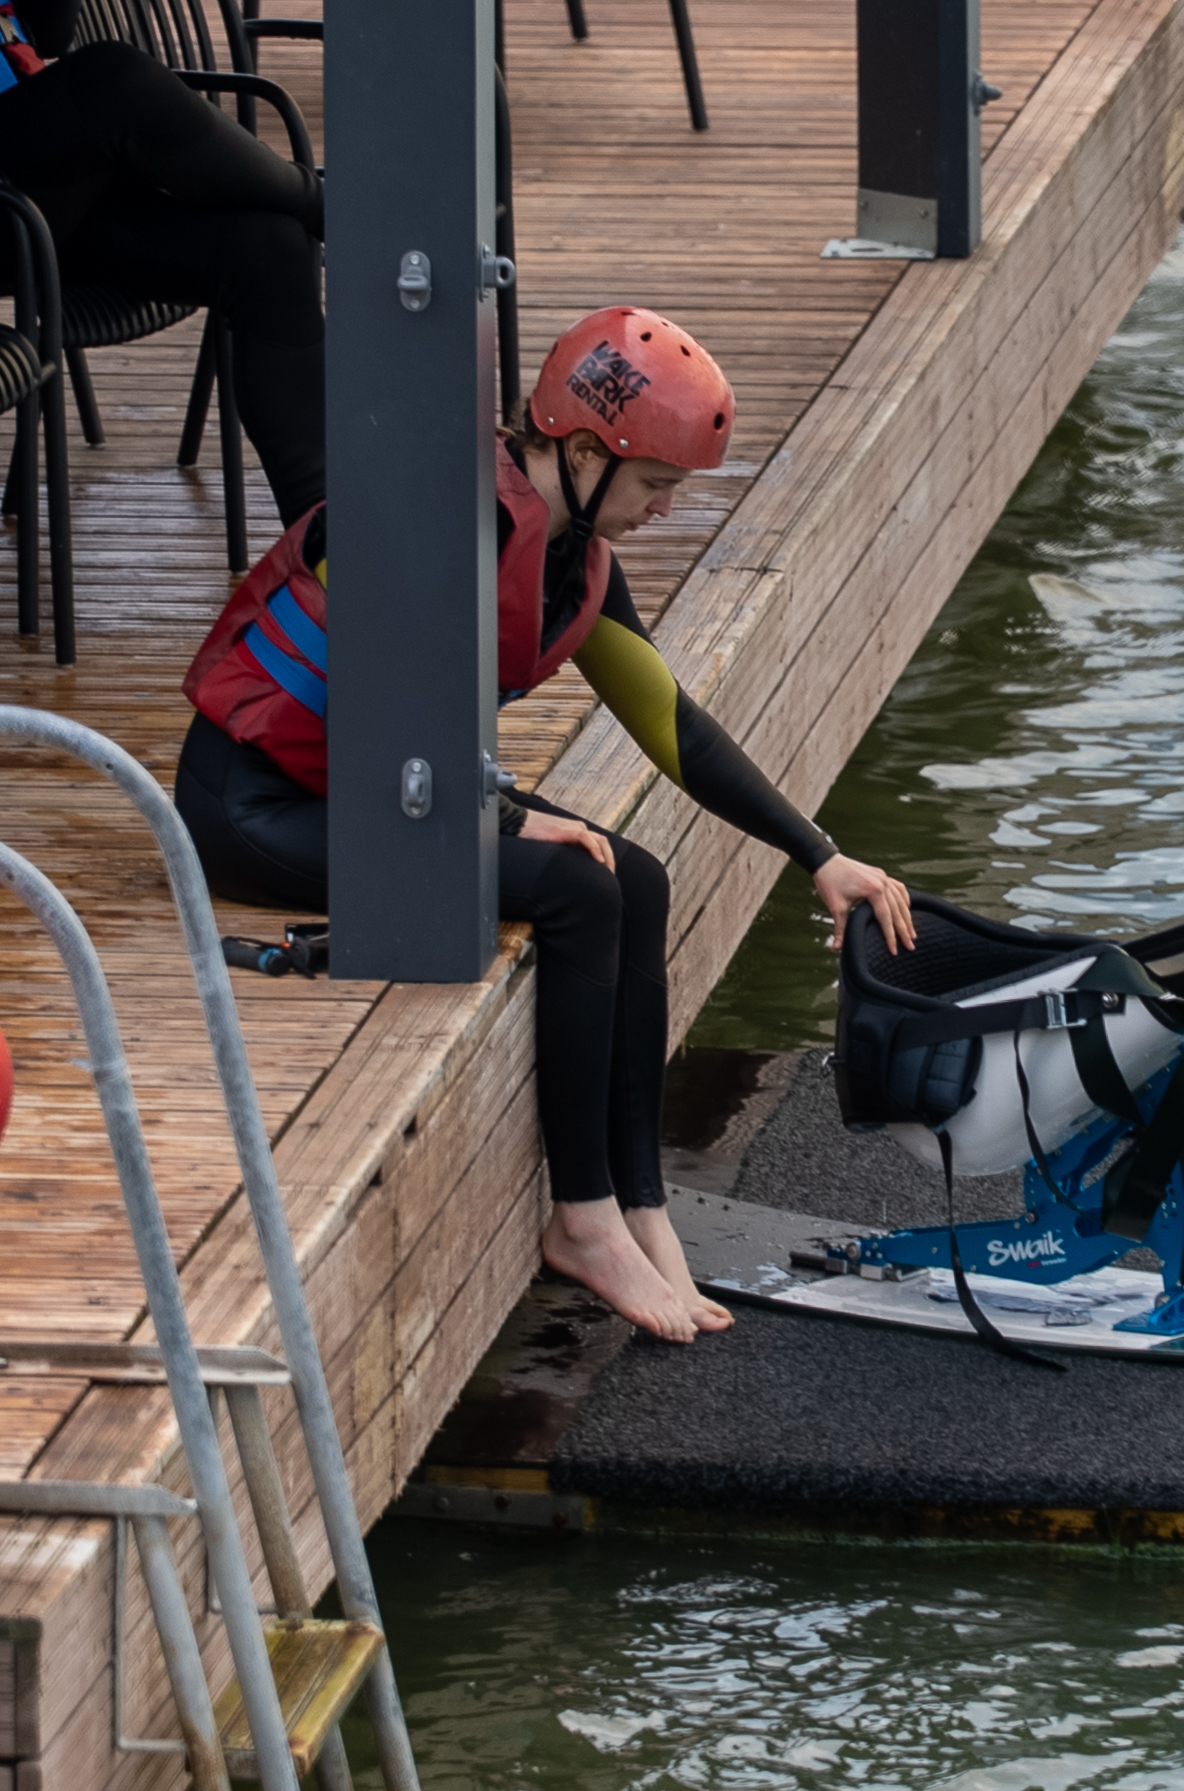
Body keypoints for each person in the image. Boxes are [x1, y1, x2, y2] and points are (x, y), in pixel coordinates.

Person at [171, 305, 918, 1341]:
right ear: (579, 451)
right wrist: (506, 814)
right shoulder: (430, 514)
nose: (663, 512)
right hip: (255, 805)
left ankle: (638, 1202)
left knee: (637, 874)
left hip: (381, 796)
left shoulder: (568, 553)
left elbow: (673, 728)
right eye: (655, 486)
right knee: (573, 886)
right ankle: (581, 1221)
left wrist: (819, 856)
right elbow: (387, 716)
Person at [0, 0, 327, 523]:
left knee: (266, 248)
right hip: (15, 204)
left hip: (40, 196)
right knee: (113, 78)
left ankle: (330, 543)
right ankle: (331, 210)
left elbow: (52, 36)